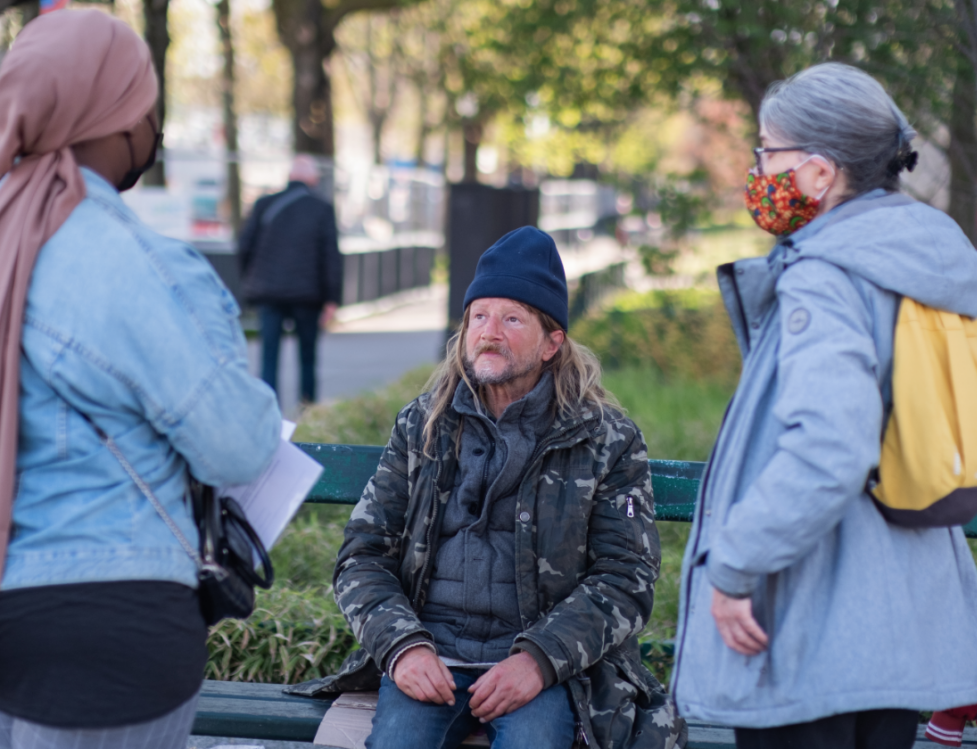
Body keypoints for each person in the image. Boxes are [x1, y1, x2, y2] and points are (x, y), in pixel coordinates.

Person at [670, 62, 977, 749]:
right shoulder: (920, 260)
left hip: (814, 635)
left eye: (769, 150)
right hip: (899, 626)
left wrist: (733, 568)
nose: (759, 168)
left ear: (819, 173)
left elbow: (830, 449)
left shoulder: (827, 276)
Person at [286, 226, 686, 749]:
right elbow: (362, 555)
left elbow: (626, 576)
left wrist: (539, 661)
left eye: (512, 318)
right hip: (431, 655)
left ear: (552, 342)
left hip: (540, 665)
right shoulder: (423, 424)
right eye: (479, 315)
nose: (489, 331)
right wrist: (403, 647)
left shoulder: (604, 438)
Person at [0, 11, 281, 749]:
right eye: (147, 106)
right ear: (113, 117)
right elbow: (239, 445)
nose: (152, 127)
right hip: (106, 626)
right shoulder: (129, 261)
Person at [238, 154, 341, 406]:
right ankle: (307, 411)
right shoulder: (322, 208)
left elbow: (244, 246)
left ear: (290, 176)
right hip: (307, 295)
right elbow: (330, 256)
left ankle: (269, 413)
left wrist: (252, 279)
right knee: (308, 356)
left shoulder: (264, 204)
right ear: (312, 178)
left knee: (268, 357)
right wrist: (331, 299)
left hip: (268, 293)